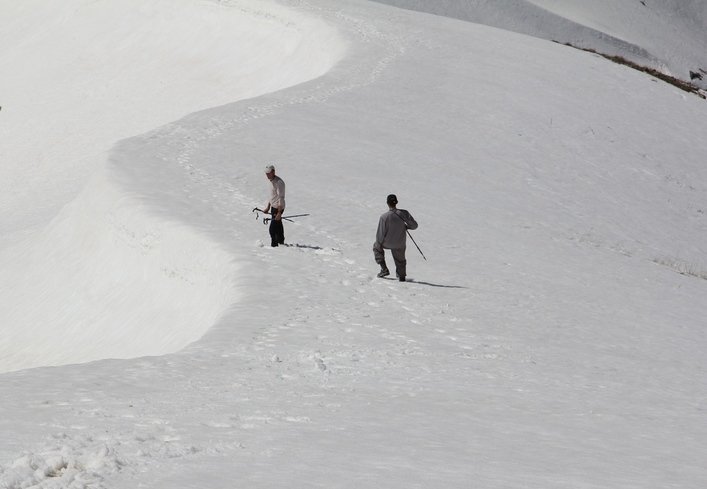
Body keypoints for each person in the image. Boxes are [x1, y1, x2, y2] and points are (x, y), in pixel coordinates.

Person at [373, 194, 418, 281]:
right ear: (396, 202)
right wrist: (406, 227)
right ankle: (401, 276)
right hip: (400, 243)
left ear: (387, 203)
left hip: (388, 242)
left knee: (376, 246)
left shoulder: (384, 217)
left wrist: (379, 244)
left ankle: (384, 269)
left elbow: (380, 235)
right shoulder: (404, 213)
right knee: (400, 258)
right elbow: (414, 226)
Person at [263, 164, 286, 247]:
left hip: (278, 207)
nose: (267, 175)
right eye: (266, 173)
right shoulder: (271, 181)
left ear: (273, 172)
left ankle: (274, 246)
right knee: (278, 224)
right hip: (273, 207)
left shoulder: (279, 183)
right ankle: (281, 241)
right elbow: (271, 196)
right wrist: (268, 207)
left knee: (272, 229)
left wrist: (279, 213)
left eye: (269, 173)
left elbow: (281, 198)